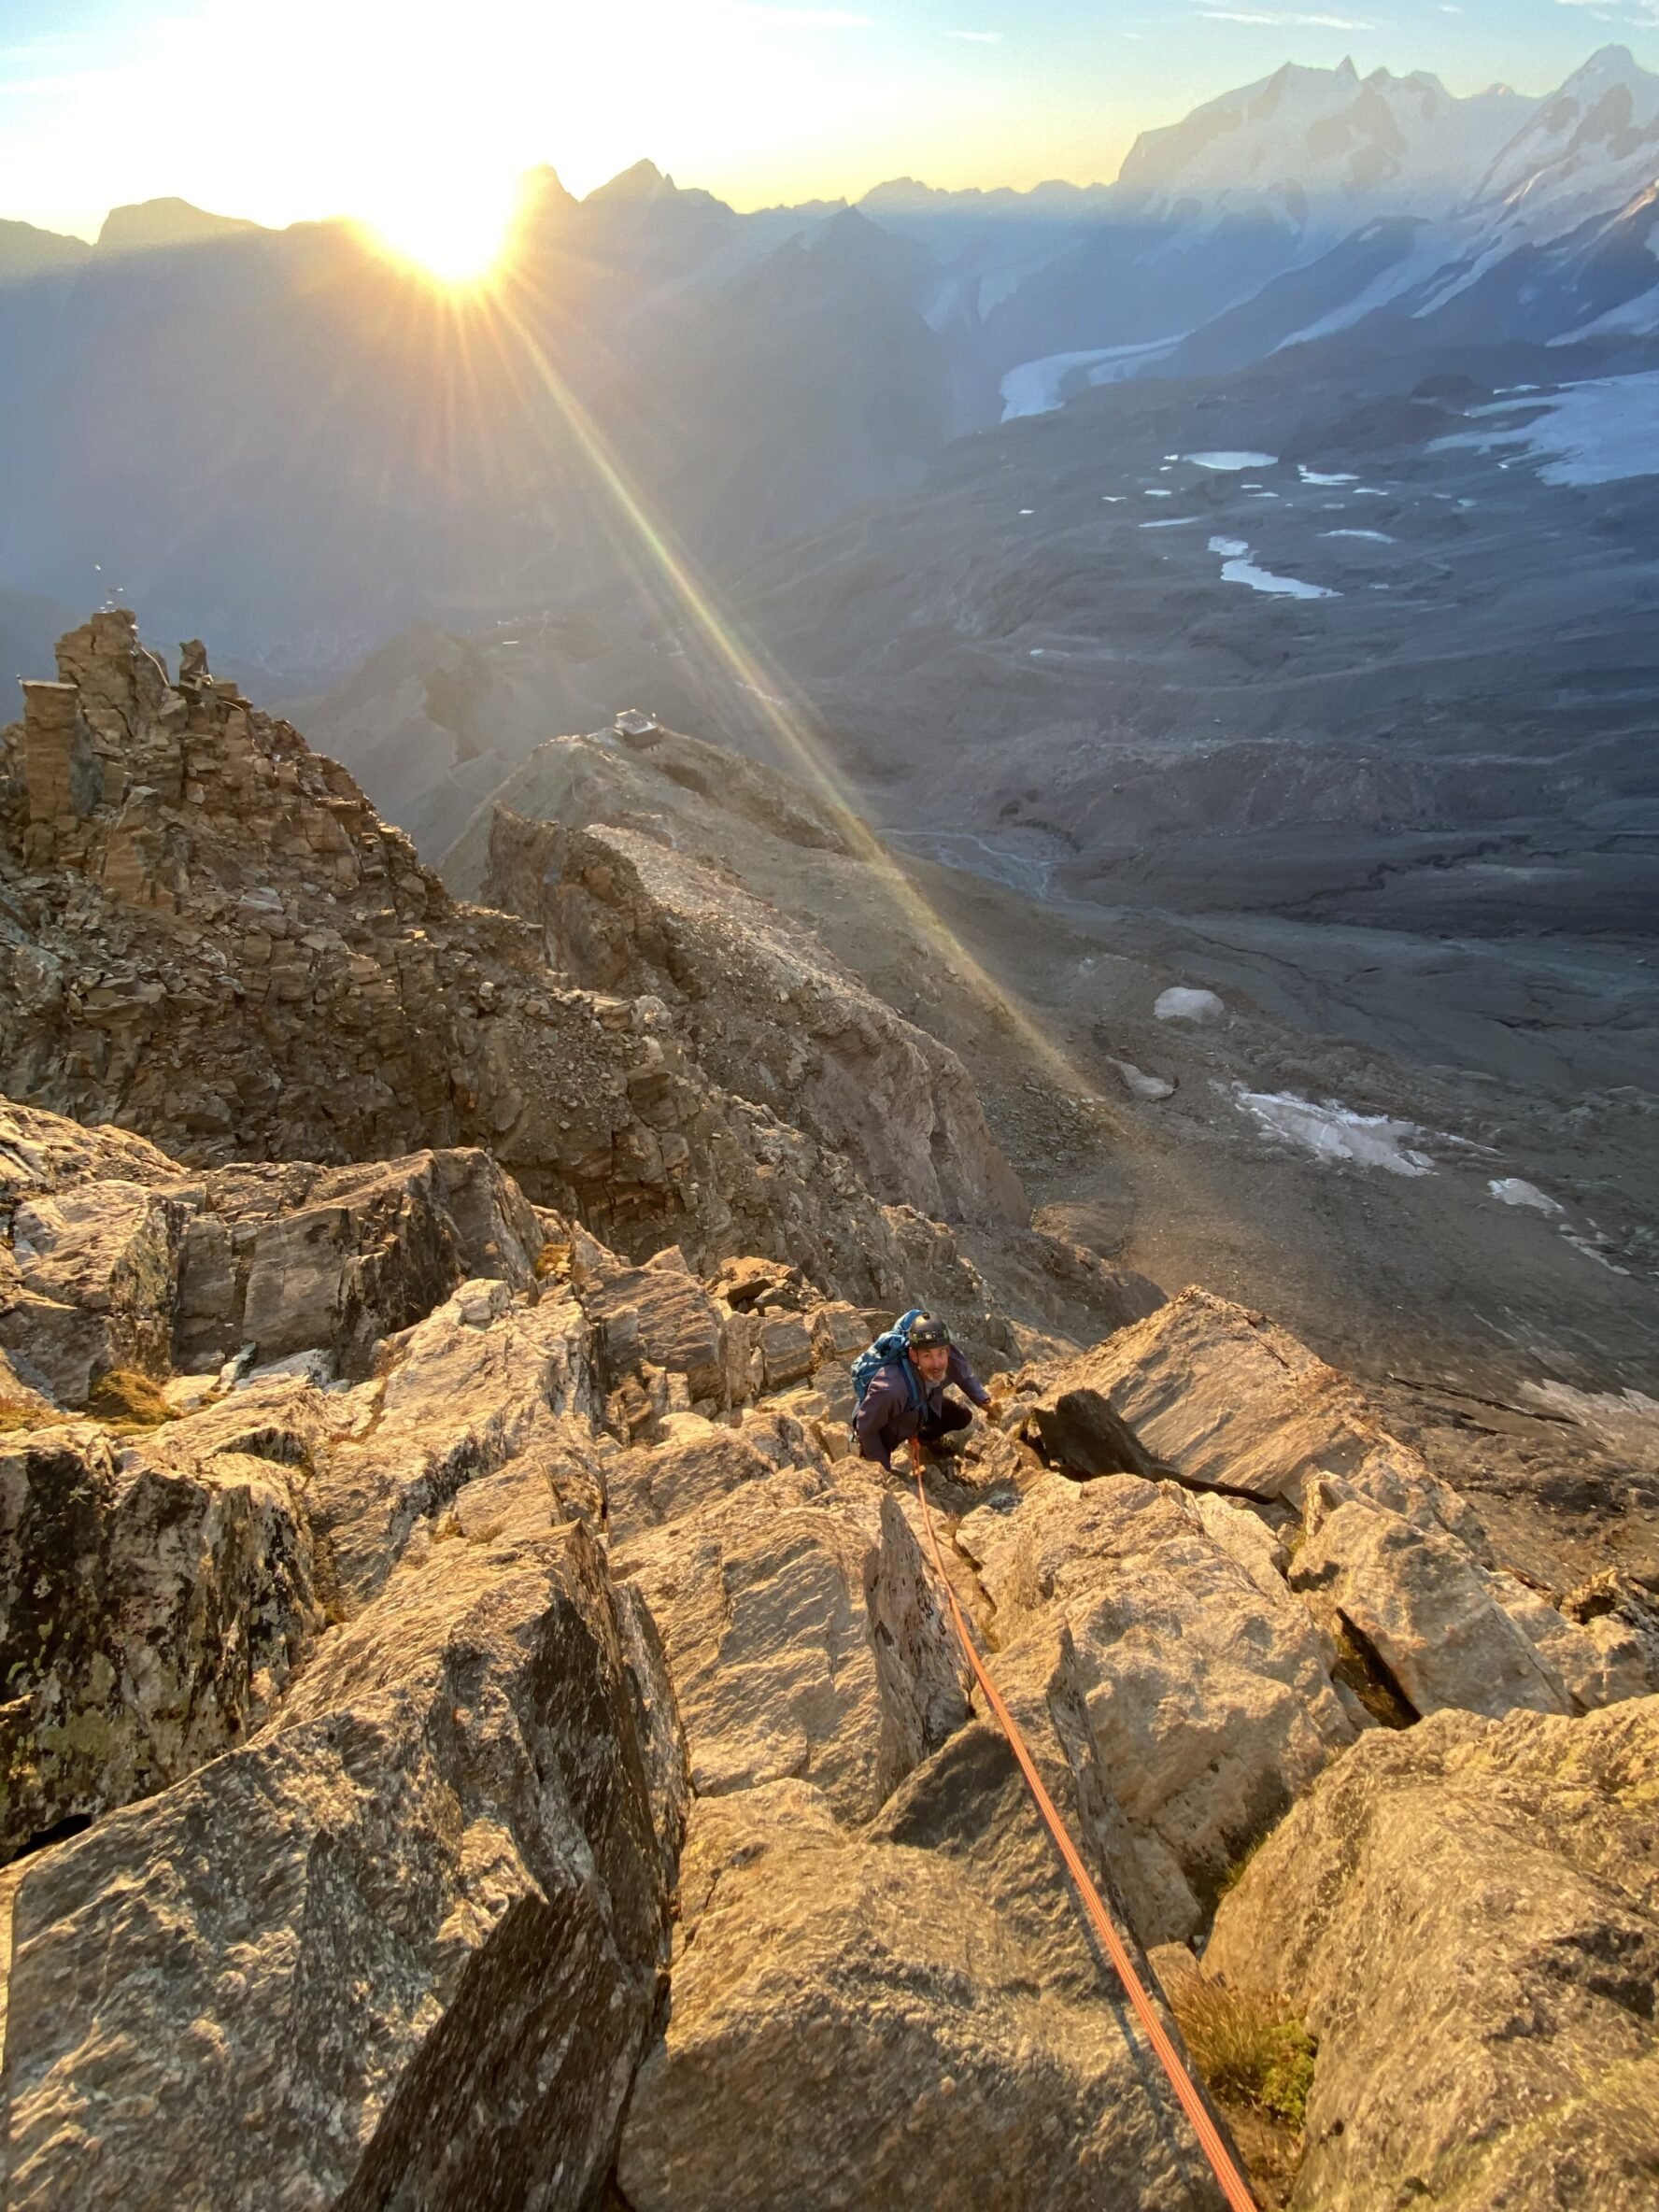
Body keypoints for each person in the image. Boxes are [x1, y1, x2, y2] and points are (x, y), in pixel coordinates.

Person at [854, 1312, 997, 1474]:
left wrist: (983, 1399)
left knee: (961, 1416)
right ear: (914, 1355)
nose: (937, 1364)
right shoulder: (890, 1389)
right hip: (882, 1428)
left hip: (919, 1405)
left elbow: (960, 1369)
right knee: (880, 1467)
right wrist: (884, 1472)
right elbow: (866, 1428)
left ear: (947, 1350)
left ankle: (924, 1442)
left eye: (941, 1353)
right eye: (927, 1355)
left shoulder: (939, 1351)